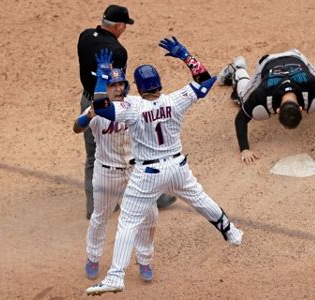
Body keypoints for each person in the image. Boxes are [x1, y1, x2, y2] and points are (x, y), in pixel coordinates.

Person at [85, 37, 244, 296]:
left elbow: (102, 107)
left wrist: (103, 77)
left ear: (137, 86)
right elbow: (205, 82)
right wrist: (186, 56)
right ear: (159, 84)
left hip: (148, 174)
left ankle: (115, 276)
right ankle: (231, 232)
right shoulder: (176, 99)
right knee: (200, 198)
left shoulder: (132, 106)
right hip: (178, 168)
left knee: (127, 222)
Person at [73, 63, 158, 282]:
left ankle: (145, 260)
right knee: (100, 217)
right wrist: (89, 115)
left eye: (121, 84)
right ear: (106, 88)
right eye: (113, 85)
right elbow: (77, 127)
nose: (119, 88)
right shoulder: (97, 110)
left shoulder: (135, 105)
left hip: (136, 171)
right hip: (107, 173)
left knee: (149, 216)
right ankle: (93, 257)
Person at [217, 49, 315, 164]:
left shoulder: (313, 86)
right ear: (300, 108)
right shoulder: (262, 92)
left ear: (277, 110)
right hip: (267, 63)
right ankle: (238, 68)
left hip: (297, 58)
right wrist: (244, 149)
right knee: (243, 99)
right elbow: (241, 118)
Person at [77, 4, 134, 219]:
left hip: (87, 102)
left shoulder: (84, 36)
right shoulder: (119, 52)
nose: (125, 28)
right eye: (125, 25)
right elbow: (118, 86)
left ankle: (93, 208)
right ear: (118, 26)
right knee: (129, 152)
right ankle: (154, 196)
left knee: (93, 157)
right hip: (110, 108)